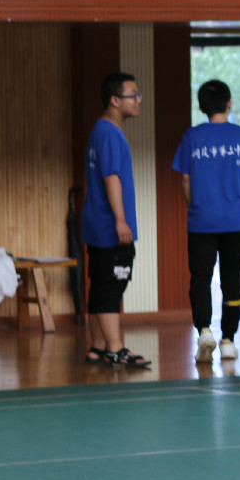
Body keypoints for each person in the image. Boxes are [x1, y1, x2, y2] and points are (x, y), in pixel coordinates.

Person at [172, 79, 240, 364]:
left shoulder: (191, 137)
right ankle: (228, 340)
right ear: (229, 103)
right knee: (232, 281)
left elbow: (185, 180)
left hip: (201, 220)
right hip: (236, 220)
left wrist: (197, 206)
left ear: (201, 107)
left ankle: (204, 331)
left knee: (200, 278)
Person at [82, 72, 150, 368]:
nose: (138, 101)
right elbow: (112, 178)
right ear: (114, 100)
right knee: (111, 287)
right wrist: (121, 220)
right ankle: (115, 349)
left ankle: (97, 347)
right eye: (133, 95)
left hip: (96, 224)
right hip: (109, 226)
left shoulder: (100, 130)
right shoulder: (110, 133)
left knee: (100, 286)